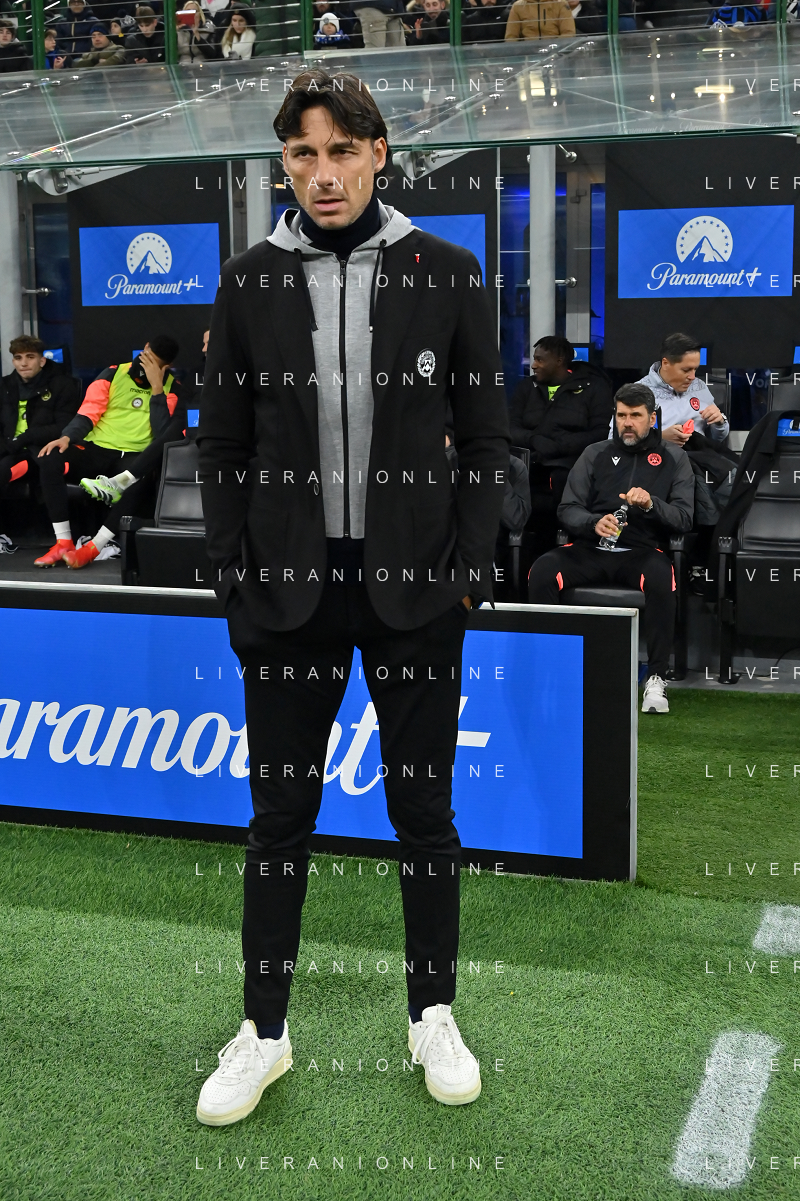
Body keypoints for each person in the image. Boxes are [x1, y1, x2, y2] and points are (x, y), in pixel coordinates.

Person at [194, 67, 509, 1126]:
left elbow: (487, 439)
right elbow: (222, 445)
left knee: (424, 813)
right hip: (285, 595)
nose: (322, 174)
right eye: (302, 154)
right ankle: (263, 1032)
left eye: (340, 151)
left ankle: (433, 1013)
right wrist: (234, 575)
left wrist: (467, 570)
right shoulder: (248, 281)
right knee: (279, 818)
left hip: (415, 591)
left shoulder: (447, 271)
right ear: (283, 164)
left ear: (378, 153)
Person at [529, 382, 695, 714]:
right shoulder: (595, 453)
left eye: (635, 416)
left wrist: (651, 504)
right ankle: (553, 669)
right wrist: (593, 522)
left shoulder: (674, 458)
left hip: (641, 552)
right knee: (542, 570)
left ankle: (656, 678)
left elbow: (684, 518)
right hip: (590, 548)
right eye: (621, 416)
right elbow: (568, 508)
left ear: (652, 418)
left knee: (663, 578)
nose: (627, 423)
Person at [34, 337, 184, 569]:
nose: (146, 366)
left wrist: (157, 389)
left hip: (134, 456)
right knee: (50, 457)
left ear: (167, 366)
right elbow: (89, 411)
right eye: (146, 358)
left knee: (143, 478)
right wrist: (67, 437)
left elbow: (162, 432)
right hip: (97, 449)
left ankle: (94, 547)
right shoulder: (112, 373)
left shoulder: (173, 388)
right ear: (144, 348)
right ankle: (63, 542)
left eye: (155, 364)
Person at [509, 335, 613, 556]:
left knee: (561, 482)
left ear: (559, 361)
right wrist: (534, 439)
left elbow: (601, 433)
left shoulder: (593, 388)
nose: (534, 365)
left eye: (540, 359)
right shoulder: (526, 387)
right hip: (530, 466)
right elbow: (509, 428)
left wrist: (561, 446)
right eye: (534, 359)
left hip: (570, 468)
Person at [0, 337, 81, 541]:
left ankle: (61, 539)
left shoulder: (62, 385)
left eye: (30, 357)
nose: (23, 363)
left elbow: (64, 426)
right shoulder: (5, 385)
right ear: (13, 361)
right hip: (11, 449)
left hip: (41, 450)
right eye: (18, 358)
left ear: (42, 361)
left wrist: (26, 437)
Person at [635, 332, 730, 448]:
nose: (693, 377)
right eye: (686, 370)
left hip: (699, 455)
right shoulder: (638, 393)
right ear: (665, 363)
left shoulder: (699, 386)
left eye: (695, 369)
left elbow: (717, 439)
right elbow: (622, 442)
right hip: (659, 456)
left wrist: (719, 423)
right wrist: (660, 438)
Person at [504, 0, 575, 36]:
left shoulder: (561, 4)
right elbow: (511, 36)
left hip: (555, 51)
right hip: (528, 53)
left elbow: (568, 33)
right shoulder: (517, 6)